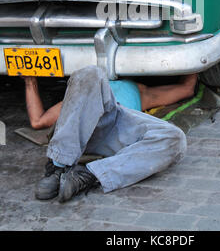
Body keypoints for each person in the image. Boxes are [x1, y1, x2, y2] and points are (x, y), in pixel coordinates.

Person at [23, 69, 198, 203]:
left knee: (176, 138)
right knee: (90, 72)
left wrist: (198, 57)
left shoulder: (140, 91)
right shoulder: (87, 85)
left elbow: (186, 89)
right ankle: (58, 167)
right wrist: (30, 82)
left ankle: (87, 176)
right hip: (78, 132)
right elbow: (38, 121)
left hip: (117, 127)